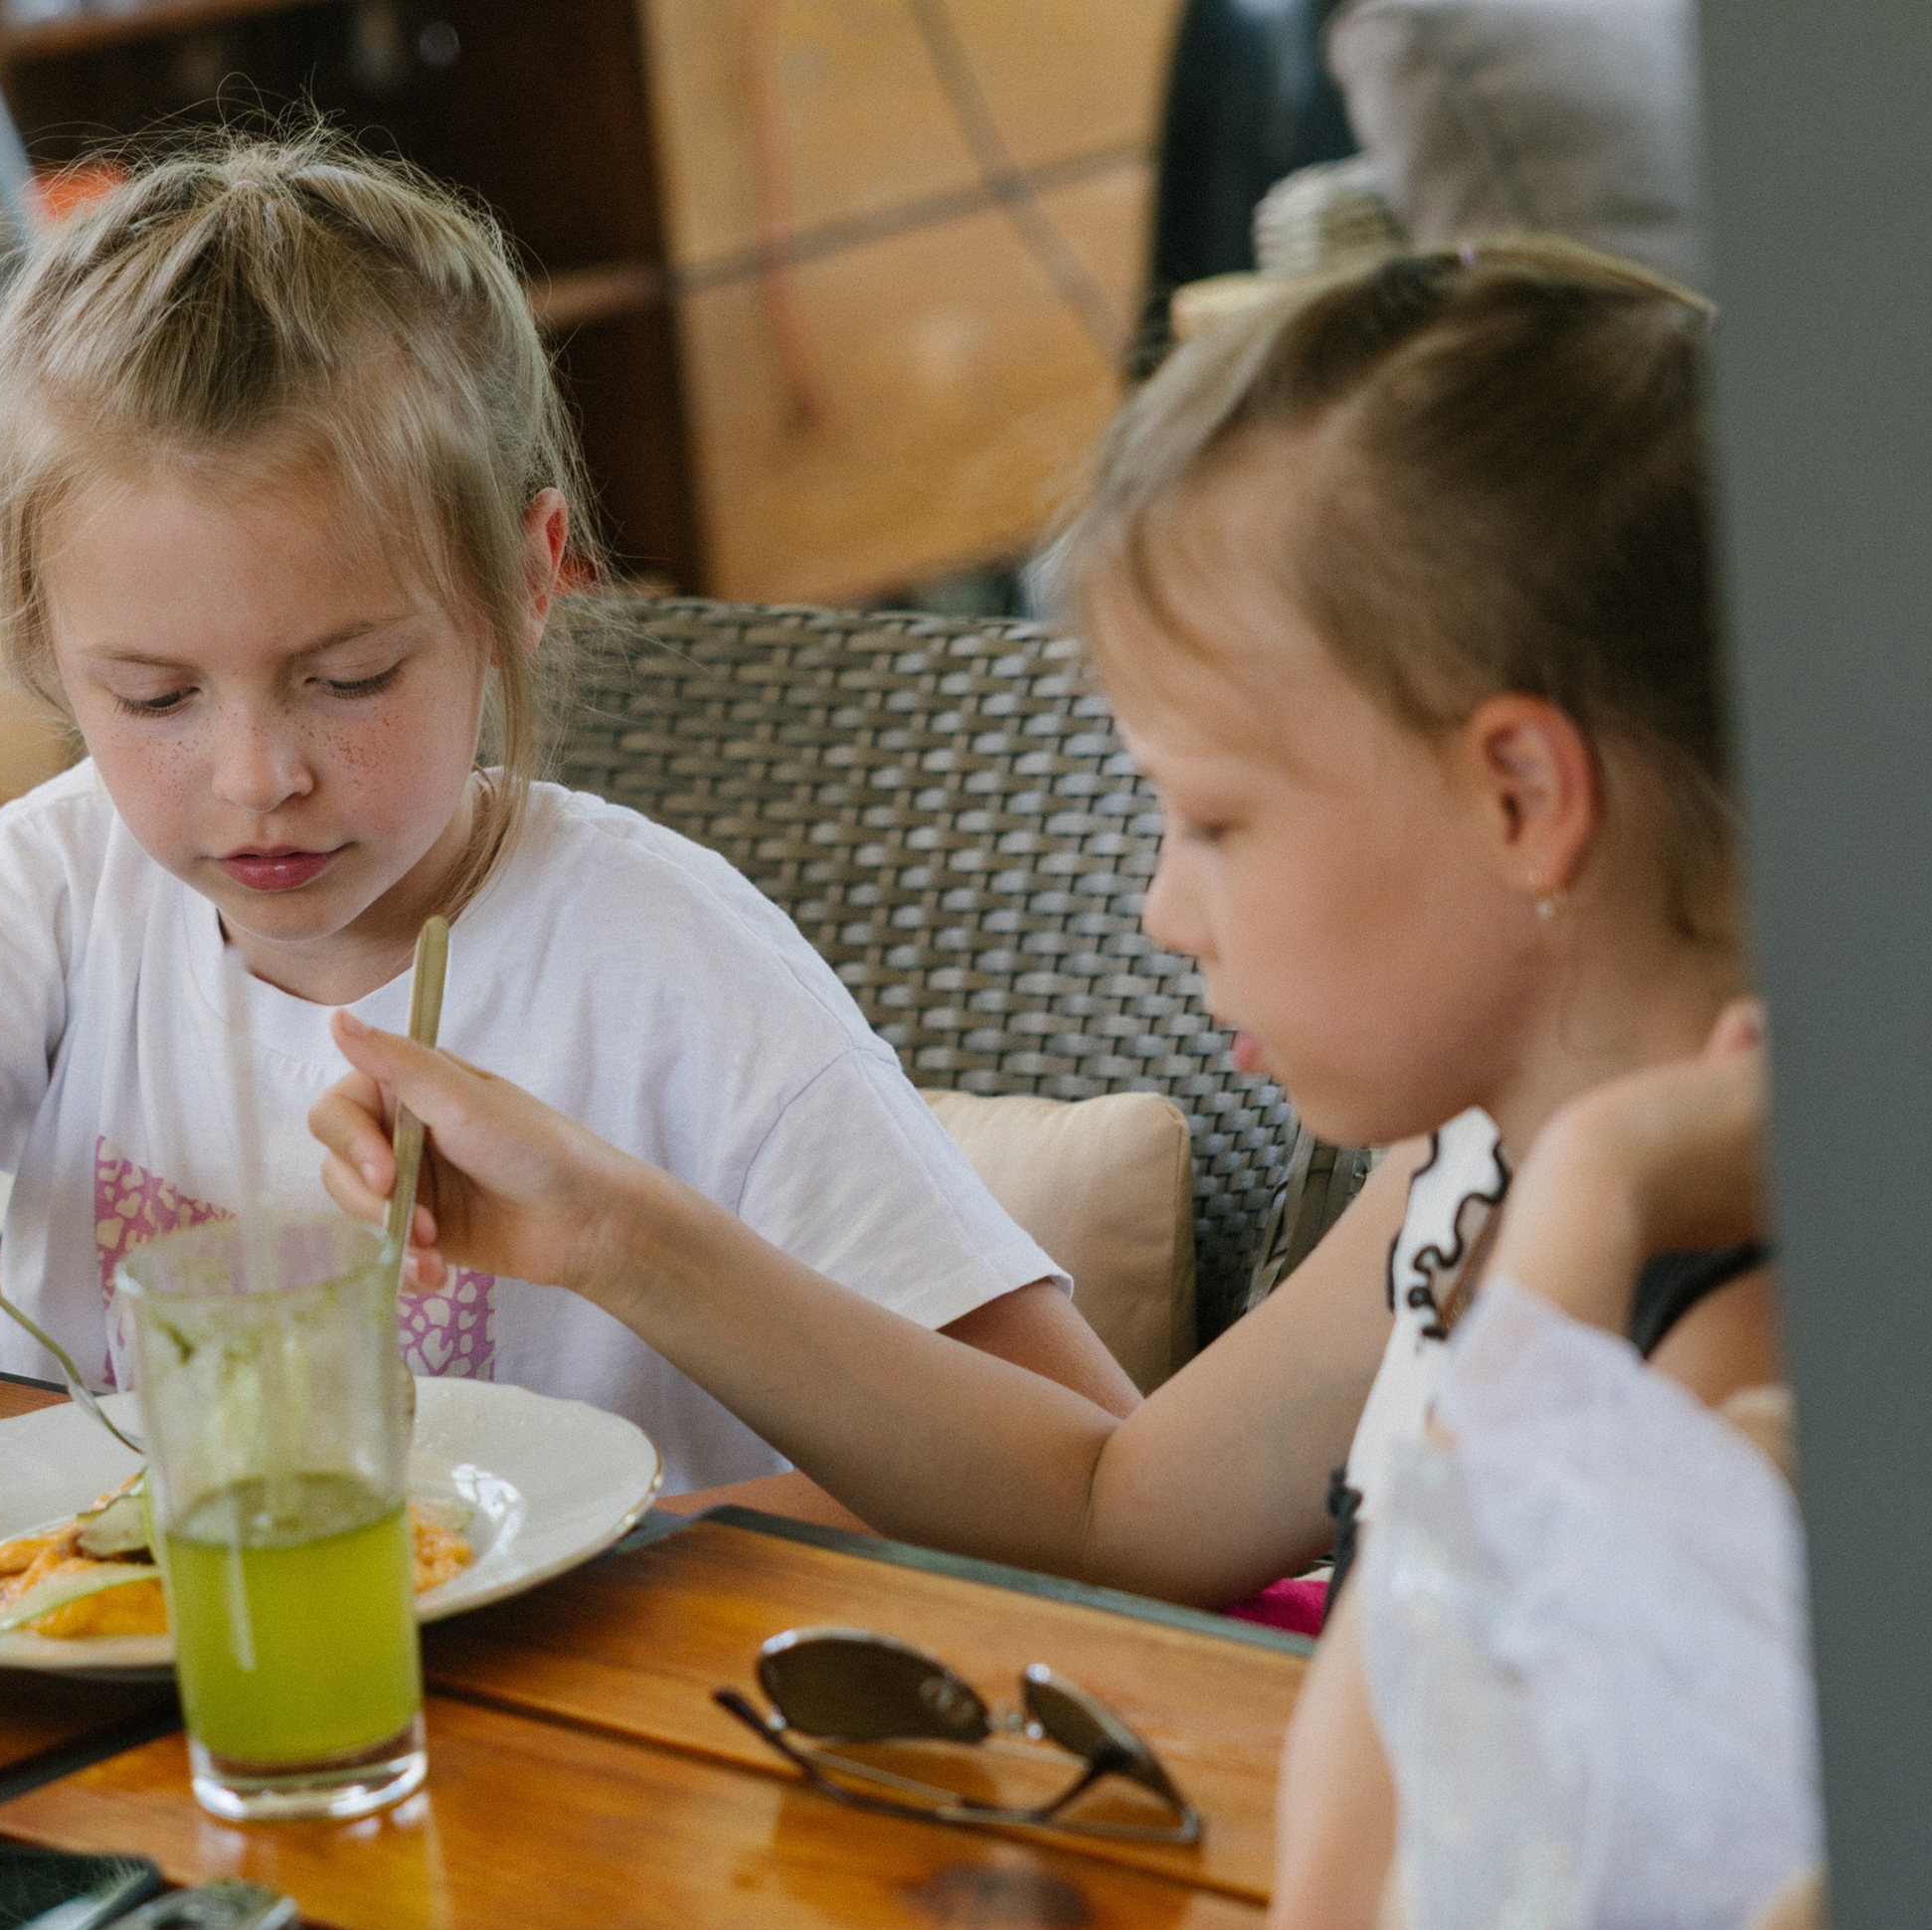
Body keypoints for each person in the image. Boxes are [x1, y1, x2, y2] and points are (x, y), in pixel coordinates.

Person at [0, 130, 1138, 1506]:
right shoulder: (63, 880)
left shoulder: (669, 959)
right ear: (50, 643)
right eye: (157, 698)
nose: (259, 776)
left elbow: (1078, 1455)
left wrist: (646, 1551)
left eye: (348, 678)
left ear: (527, 579)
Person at [305, 240, 1777, 1610]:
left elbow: (1415, 1808)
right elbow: (1113, 1507)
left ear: (1521, 796)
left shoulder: (1740, 1354)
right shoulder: (1471, 1165)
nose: (1163, 909)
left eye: (1215, 824)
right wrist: (611, 1232)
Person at [1269, 1011, 1818, 1930]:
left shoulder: (1740, 1334)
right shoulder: (1463, 1168)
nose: (1168, 932)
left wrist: (1589, 1188)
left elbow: (1357, 1909)